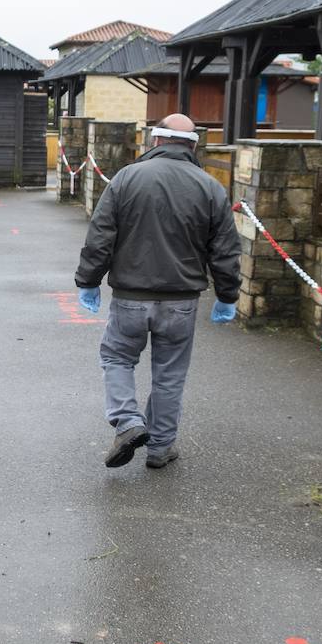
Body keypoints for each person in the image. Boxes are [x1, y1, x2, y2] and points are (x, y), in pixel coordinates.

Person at [74, 113, 240, 470]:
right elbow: (225, 249)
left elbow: (100, 237)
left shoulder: (126, 179)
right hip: (181, 301)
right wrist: (228, 295)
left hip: (130, 297)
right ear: (193, 145)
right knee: (170, 374)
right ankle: (161, 448)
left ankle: (127, 421)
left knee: (118, 357)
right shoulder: (210, 187)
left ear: (155, 141)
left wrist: (88, 281)